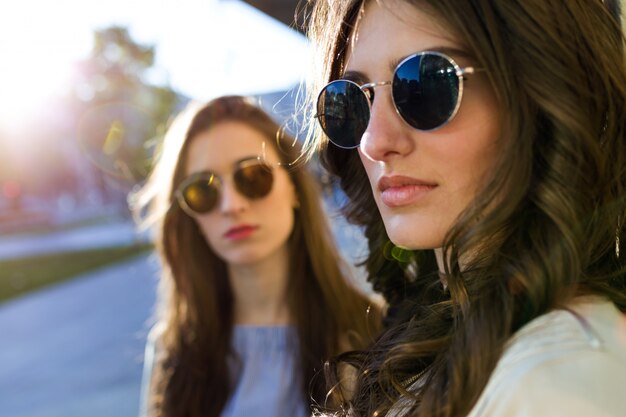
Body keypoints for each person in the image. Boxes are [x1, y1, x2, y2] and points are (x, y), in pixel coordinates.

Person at [305, 0, 626, 416]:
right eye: (352, 99)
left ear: (540, 91)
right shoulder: (457, 340)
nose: (374, 140)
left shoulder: (559, 379)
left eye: (423, 85)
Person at [132, 95, 381, 417]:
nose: (231, 205)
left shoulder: (371, 331)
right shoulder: (172, 350)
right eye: (203, 190)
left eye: (252, 176)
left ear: (293, 186)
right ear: (188, 216)